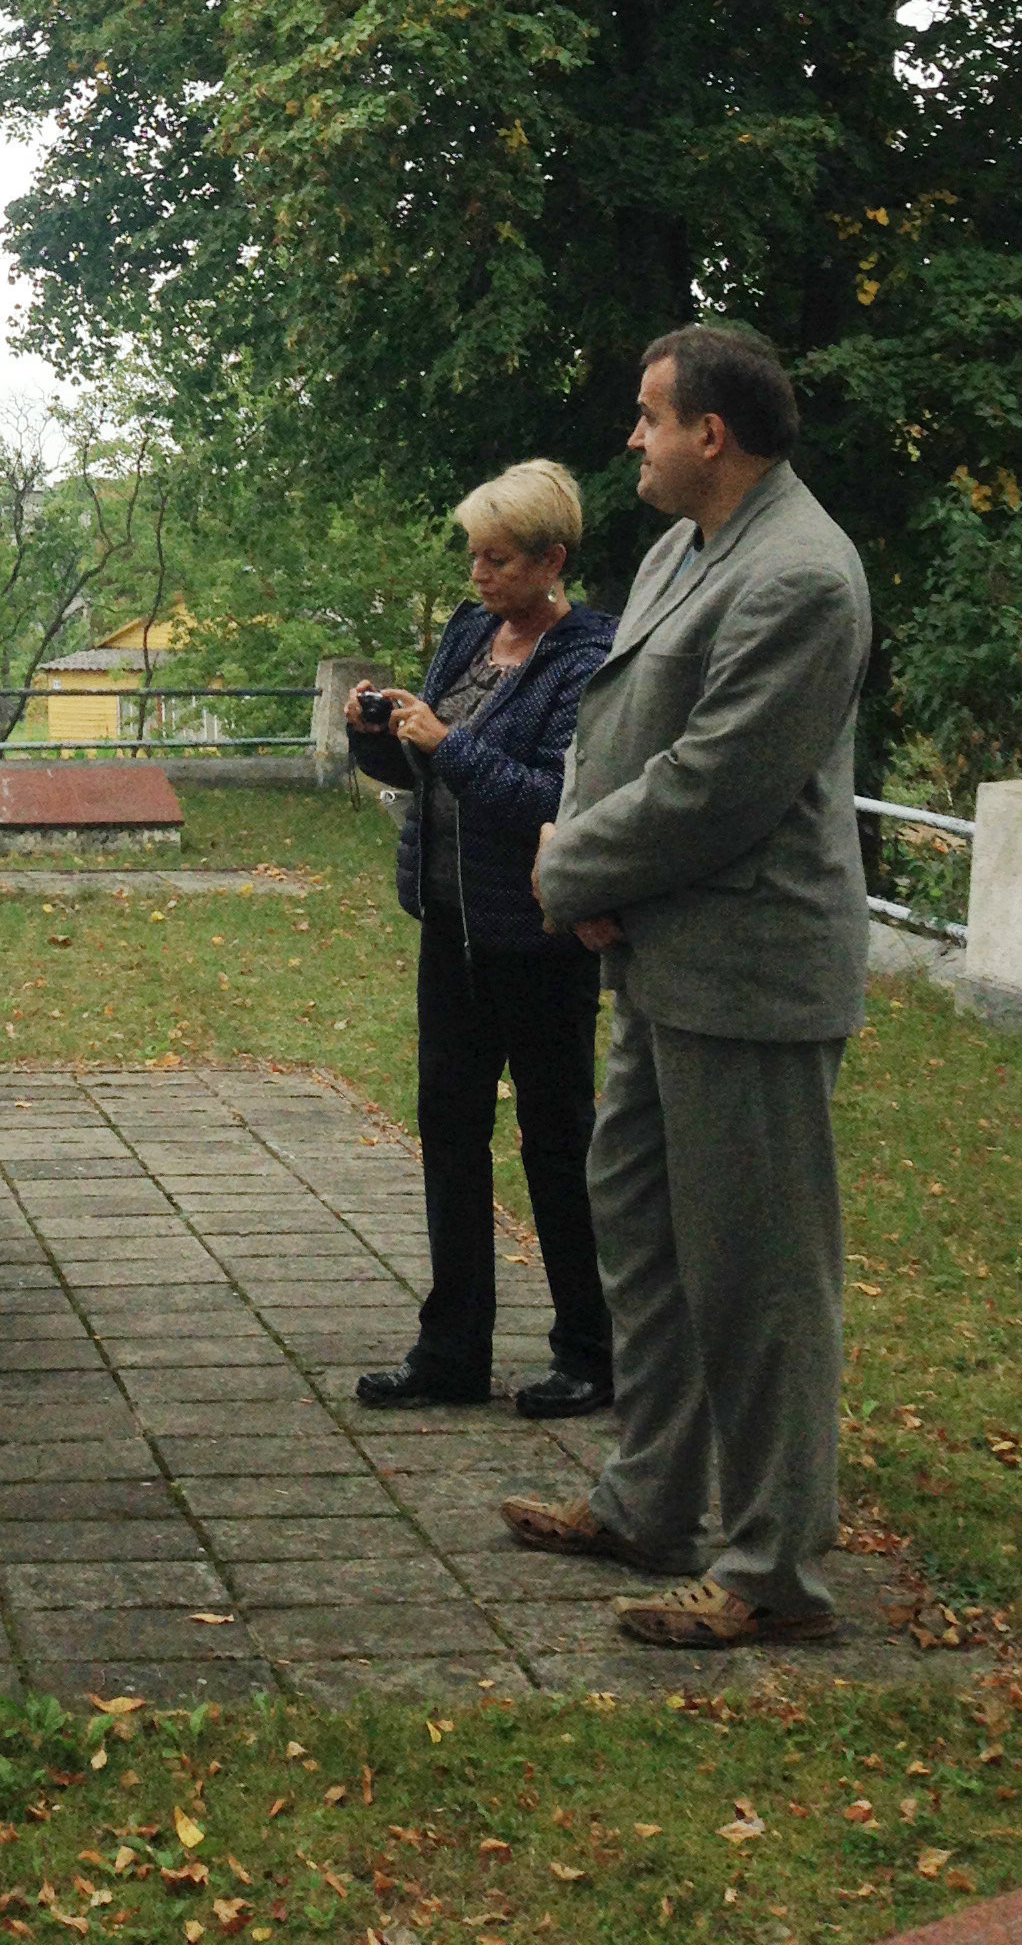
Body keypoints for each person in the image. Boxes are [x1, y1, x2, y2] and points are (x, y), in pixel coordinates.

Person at [506, 325, 872, 1648]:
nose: (634, 438)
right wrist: (591, 869)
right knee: (647, 1237)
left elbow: (722, 779)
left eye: (650, 415)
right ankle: (653, 1501)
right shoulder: (684, 548)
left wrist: (574, 867)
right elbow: (619, 730)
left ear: (712, 431)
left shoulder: (803, 578)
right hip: (662, 951)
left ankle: (773, 1567)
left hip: (753, 969)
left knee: (759, 1274)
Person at [346, 463, 618, 1416]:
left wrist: (443, 741)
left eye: (498, 558)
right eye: (474, 554)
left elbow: (556, 801)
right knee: (450, 1131)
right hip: (452, 929)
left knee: (557, 1142)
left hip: (540, 939)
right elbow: (424, 774)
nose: (479, 574)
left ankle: (591, 1351)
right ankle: (452, 1348)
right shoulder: (470, 635)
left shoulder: (588, 655)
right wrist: (375, 735)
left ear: (552, 559)